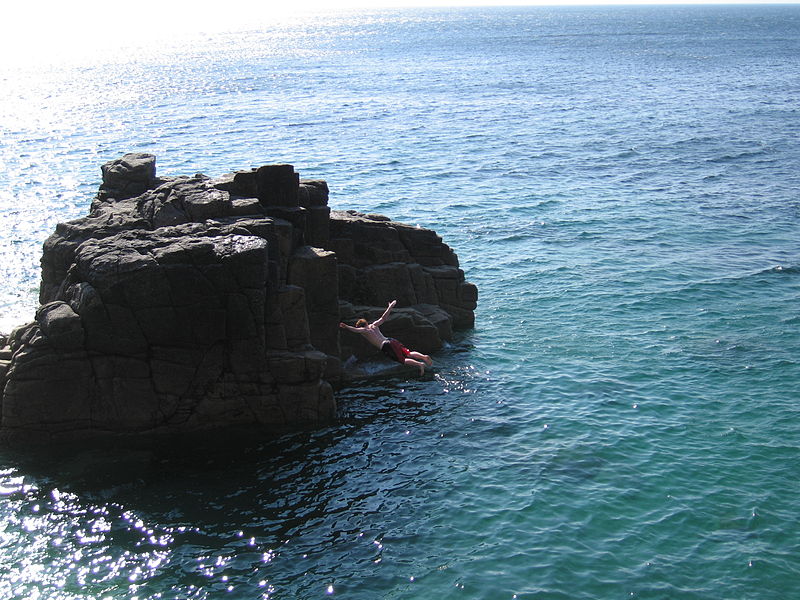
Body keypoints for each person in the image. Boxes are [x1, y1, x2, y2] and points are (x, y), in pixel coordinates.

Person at [339, 300, 433, 375]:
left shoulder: (364, 331)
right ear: (366, 323)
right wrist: (390, 307)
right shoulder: (374, 325)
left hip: (386, 346)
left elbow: (356, 330)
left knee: (402, 360)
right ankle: (423, 357)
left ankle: (420, 364)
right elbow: (383, 318)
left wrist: (346, 326)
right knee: (408, 353)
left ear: (360, 326)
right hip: (391, 340)